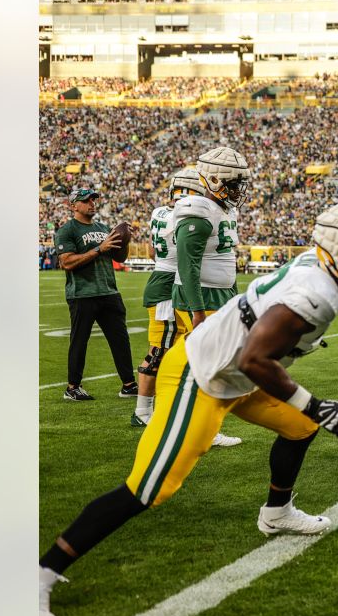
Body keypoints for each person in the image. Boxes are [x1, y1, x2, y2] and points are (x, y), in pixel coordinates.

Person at [39, 201, 338, 616]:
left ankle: (277, 513)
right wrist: (317, 406)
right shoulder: (315, 294)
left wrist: (309, 412)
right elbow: (254, 358)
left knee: (300, 428)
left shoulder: (317, 267)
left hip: (235, 373)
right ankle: (43, 572)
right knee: (150, 488)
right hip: (202, 375)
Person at [172, 147, 249, 448]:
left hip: (219, 294)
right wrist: (197, 310)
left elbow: (223, 260)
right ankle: (201, 428)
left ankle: (193, 423)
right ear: (214, 179)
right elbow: (187, 264)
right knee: (210, 365)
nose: (237, 190)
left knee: (207, 364)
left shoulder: (220, 209)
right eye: (232, 184)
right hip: (202, 296)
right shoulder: (198, 210)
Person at [53, 186, 137, 402]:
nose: (92, 203)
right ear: (74, 205)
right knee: (79, 341)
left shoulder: (103, 227)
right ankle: (73, 387)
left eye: (93, 200)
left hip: (109, 291)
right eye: (87, 200)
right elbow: (67, 262)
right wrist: (100, 248)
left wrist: (125, 242)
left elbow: (120, 259)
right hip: (82, 293)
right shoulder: (67, 230)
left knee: (120, 340)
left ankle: (128, 385)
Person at [130, 168, 197, 427]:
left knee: (174, 348)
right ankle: (143, 412)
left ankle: (155, 410)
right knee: (159, 350)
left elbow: (150, 250)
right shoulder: (182, 216)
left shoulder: (158, 212)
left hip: (162, 275)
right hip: (168, 285)